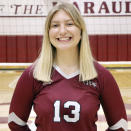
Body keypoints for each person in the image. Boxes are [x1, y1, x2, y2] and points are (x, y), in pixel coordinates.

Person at [8, 2, 127, 131]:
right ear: (48, 33)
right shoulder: (33, 74)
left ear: (81, 31)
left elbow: (119, 127)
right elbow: (15, 123)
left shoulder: (101, 75)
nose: (62, 31)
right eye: (55, 25)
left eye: (69, 24)